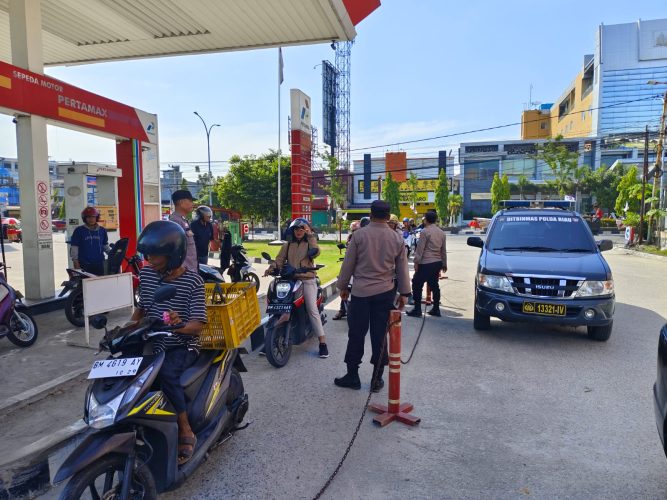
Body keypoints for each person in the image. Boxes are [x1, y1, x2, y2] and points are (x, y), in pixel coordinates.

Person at [128, 220, 207, 465]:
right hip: (153, 339)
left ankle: (185, 429)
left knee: (166, 373)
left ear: (173, 254)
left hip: (183, 343)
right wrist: (125, 331)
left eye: (155, 255)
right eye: (147, 254)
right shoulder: (147, 274)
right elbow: (142, 308)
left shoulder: (193, 281)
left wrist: (179, 324)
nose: (149, 259)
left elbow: (198, 324)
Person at [334, 200, 411, 392]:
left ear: (371, 214)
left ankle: (352, 376)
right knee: (380, 336)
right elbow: (402, 268)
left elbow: (348, 264)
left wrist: (343, 286)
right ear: (388, 216)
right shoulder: (396, 238)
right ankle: (377, 379)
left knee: (356, 334)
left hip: (360, 292)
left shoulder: (359, 235)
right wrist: (404, 293)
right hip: (385, 293)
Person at [264, 218, 329, 358]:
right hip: (290, 279)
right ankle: (270, 338)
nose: (298, 232)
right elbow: (279, 260)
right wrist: (271, 268)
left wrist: (310, 235)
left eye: (301, 229)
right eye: (296, 229)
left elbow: (316, 252)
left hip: (307, 279)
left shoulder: (309, 243)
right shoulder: (287, 245)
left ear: (305, 231)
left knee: (312, 309)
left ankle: (322, 343)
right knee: (276, 302)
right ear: (292, 231)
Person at [407, 211, 447, 318]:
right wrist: (444, 263)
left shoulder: (425, 231)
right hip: (437, 262)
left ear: (426, 220)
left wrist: (416, 262)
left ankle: (417, 309)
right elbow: (443, 250)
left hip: (426, 262)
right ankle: (436, 309)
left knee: (416, 283)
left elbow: (420, 249)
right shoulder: (441, 233)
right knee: (434, 284)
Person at [333, 220, 361, 321]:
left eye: (356, 230)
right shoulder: (350, 237)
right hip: (349, 266)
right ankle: (342, 310)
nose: (354, 232)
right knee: (344, 287)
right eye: (352, 230)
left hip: (360, 269)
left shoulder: (363, 238)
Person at [70, 206, 110, 276]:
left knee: (99, 281)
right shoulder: (79, 230)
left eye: (93, 217)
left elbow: (105, 245)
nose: (91, 219)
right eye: (88, 217)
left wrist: (112, 254)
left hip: (99, 264)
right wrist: (75, 262)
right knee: (84, 282)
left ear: (96, 217)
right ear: (84, 218)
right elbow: (74, 247)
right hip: (84, 264)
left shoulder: (102, 230)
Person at [169, 190, 198, 272]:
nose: (192, 204)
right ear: (181, 202)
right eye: (190, 201)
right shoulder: (175, 222)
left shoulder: (182, 220)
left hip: (190, 269)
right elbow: (175, 249)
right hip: (183, 272)